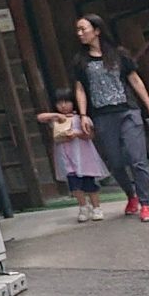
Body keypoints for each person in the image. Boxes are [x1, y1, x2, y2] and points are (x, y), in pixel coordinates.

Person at [72, 13, 149, 222]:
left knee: (137, 159)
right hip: (102, 116)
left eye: (83, 29)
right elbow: (80, 89)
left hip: (127, 111)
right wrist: (83, 115)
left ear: (97, 30)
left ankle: (146, 204)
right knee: (115, 162)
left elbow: (135, 80)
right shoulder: (80, 60)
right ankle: (131, 195)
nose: (80, 33)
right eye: (78, 30)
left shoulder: (119, 55)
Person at [35, 90, 110, 221]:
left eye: (67, 102)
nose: (63, 105)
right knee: (75, 186)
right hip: (67, 159)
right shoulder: (56, 120)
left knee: (90, 185)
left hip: (84, 158)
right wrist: (56, 115)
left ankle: (97, 208)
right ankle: (83, 207)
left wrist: (77, 134)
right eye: (59, 103)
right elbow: (40, 117)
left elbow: (90, 135)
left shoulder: (81, 118)